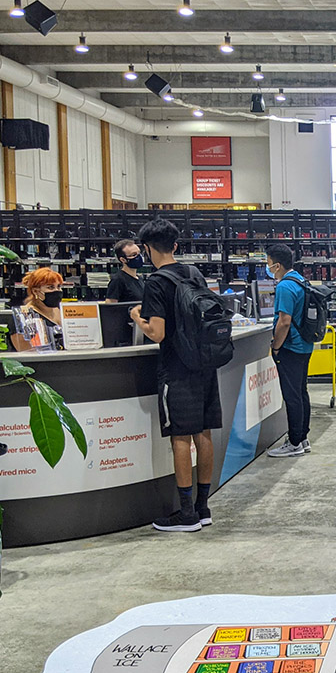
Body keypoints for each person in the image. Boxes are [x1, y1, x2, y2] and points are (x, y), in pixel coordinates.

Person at [130, 218, 220, 533]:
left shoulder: (156, 281)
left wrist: (138, 318)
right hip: (204, 364)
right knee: (204, 433)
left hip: (177, 369)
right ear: (176, 246)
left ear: (146, 249)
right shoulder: (193, 273)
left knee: (181, 438)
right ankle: (203, 507)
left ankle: (185, 514)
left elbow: (157, 333)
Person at [265, 243, 313, 458]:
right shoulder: (300, 281)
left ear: (277, 264)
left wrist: (275, 347)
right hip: (304, 345)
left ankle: (294, 443)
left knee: (292, 395)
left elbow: (284, 321)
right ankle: (302, 437)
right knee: (301, 392)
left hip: (290, 347)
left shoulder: (285, 286)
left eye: (268, 264)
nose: (267, 268)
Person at [11, 267, 64, 352]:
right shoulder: (24, 317)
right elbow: (26, 352)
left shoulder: (60, 311)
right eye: (50, 287)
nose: (57, 291)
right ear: (35, 291)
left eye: (58, 286)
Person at [104, 238, 145, 304]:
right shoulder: (118, 280)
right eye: (134, 255)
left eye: (139, 253)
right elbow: (110, 307)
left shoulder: (139, 279)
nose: (139, 257)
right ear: (123, 260)